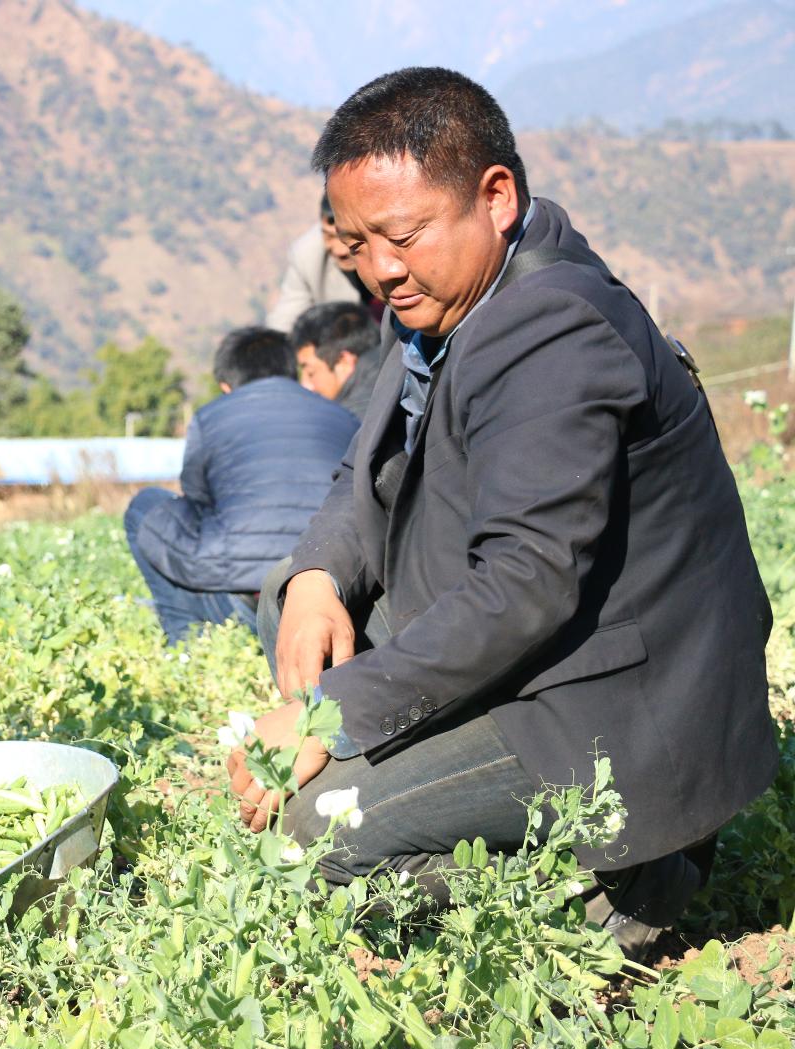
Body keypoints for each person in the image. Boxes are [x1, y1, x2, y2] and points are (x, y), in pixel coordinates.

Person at [228, 68, 777, 959]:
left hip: (615, 707)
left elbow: (526, 583)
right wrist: (317, 578)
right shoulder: (435, 301)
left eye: (401, 236)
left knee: (310, 835)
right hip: (537, 638)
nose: (381, 269)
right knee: (290, 607)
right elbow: (362, 473)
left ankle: (623, 880)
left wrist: (329, 715)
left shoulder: (552, 328)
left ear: (496, 197)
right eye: (358, 244)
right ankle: (409, 770)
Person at [125, 327, 357, 644]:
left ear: (226, 385)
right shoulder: (344, 417)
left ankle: (186, 639)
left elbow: (196, 501)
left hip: (240, 600)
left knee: (145, 506)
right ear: (292, 369)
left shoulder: (209, 417)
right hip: (327, 596)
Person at [267, 194, 384, 333]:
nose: (339, 251)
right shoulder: (307, 255)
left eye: (345, 238)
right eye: (328, 236)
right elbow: (285, 320)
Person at [289, 301, 385, 421]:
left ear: (343, 362)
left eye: (310, 373)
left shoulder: (354, 422)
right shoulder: (393, 374)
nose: (305, 385)